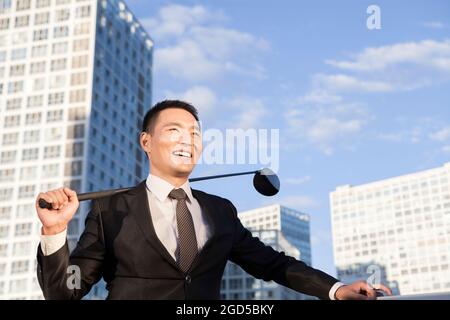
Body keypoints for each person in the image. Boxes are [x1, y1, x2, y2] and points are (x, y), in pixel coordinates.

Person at [35, 100, 392, 300]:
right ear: (146, 142)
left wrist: (337, 289)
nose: (187, 139)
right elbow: (64, 292)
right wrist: (54, 233)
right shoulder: (110, 209)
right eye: (174, 130)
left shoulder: (220, 210)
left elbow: (273, 264)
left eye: (195, 133)